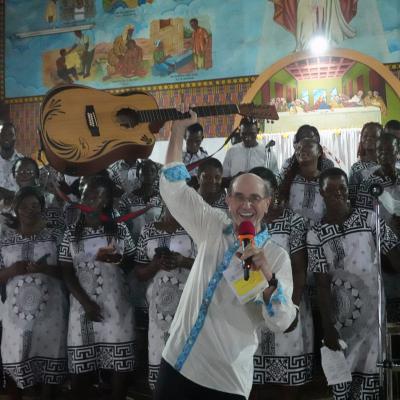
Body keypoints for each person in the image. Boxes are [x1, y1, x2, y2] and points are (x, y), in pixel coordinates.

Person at [154, 107, 296, 399]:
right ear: (228, 200)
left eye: (255, 198)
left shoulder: (276, 256)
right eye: (239, 197)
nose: (246, 205)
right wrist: (178, 130)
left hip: (225, 379)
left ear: (267, 203)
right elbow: (174, 187)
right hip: (177, 361)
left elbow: (282, 322)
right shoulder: (212, 226)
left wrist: (267, 276)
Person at [307, 167, 400, 400]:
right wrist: (328, 327)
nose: (338, 193)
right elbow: (321, 283)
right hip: (341, 317)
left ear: (349, 190)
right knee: (343, 377)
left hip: (373, 313)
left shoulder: (369, 218)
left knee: (372, 374)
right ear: (321, 193)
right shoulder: (315, 234)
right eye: (331, 190)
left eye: (342, 188)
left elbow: (395, 255)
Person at [59, 175, 136, 400]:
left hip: (116, 306)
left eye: (95, 196)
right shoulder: (71, 233)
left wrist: (116, 259)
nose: (88, 200)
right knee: (80, 373)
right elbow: (66, 271)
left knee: (119, 370)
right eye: (85, 195)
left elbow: (131, 262)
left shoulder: (119, 229)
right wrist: (86, 303)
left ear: (105, 201)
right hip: (82, 308)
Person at [249, 167, 312, 400]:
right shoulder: (245, 225)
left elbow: (299, 268)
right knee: (252, 378)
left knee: (287, 377)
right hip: (253, 307)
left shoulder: (293, 221)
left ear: (274, 192)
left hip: (286, 302)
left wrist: (291, 310)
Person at [0, 186, 68, 400]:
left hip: (51, 314)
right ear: (16, 209)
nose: (30, 210)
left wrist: (45, 269)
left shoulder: (55, 237)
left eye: (35, 205)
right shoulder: (5, 240)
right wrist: (11, 271)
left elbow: (69, 273)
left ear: (42, 208)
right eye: (24, 206)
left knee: (49, 358)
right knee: (16, 359)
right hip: (15, 317)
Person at [134, 205, 196, 390]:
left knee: (189, 361)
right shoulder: (148, 230)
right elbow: (139, 273)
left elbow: (209, 266)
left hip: (188, 307)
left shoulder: (195, 227)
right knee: (159, 360)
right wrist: (155, 265)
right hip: (158, 310)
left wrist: (183, 261)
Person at [278, 137, 325, 225]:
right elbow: (277, 203)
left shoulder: (326, 181)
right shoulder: (287, 179)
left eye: (308, 146)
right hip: (290, 230)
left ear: (319, 152)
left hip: (319, 231)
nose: (302, 149)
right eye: (298, 147)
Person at [348, 122, 382, 205]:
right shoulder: (356, 168)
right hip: (364, 211)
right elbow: (352, 198)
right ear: (361, 139)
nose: (369, 138)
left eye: (374, 136)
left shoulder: (390, 164)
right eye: (365, 136)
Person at [0, 123, 22, 204]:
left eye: (10, 134)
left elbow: (25, 190)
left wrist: (9, 194)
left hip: (17, 208)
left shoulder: (23, 162)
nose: (7, 137)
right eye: (3, 134)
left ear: (15, 138)